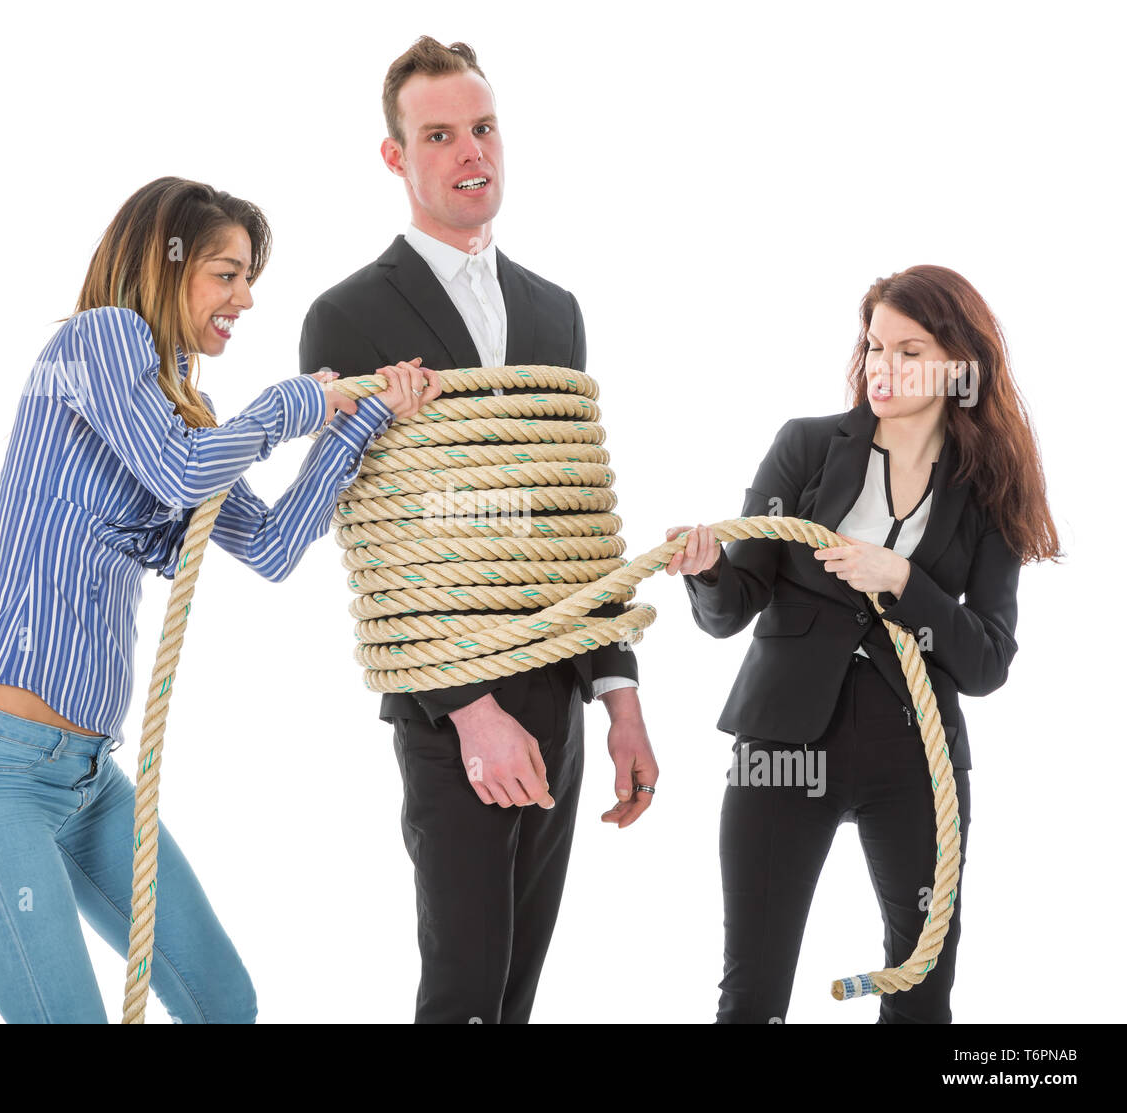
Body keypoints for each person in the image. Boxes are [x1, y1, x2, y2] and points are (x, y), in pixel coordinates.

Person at [0, 176, 440, 1023]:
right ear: (166, 266)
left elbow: (269, 548)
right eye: (227, 274)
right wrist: (300, 400)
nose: (247, 296)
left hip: (85, 778)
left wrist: (353, 425)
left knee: (223, 1001)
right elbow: (179, 473)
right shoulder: (100, 340)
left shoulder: (180, 411)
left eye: (249, 276)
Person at [299, 36, 659, 1024]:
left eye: (485, 128)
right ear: (396, 157)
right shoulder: (348, 317)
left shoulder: (556, 312)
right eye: (440, 134)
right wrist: (469, 710)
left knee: (512, 995)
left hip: (561, 689)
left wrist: (618, 698)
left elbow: (574, 519)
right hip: (447, 702)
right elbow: (375, 534)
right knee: (460, 991)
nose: (471, 153)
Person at [666, 264, 1061, 1023]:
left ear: (960, 366)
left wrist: (904, 579)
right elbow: (728, 613)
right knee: (751, 995)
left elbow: (986, 661)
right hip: (781, 748)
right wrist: (710, 569)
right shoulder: (806, 446)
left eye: (909, 352)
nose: (882, 367)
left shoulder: (987, 493)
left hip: (916, 756)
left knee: (919, 994)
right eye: (875, 345)